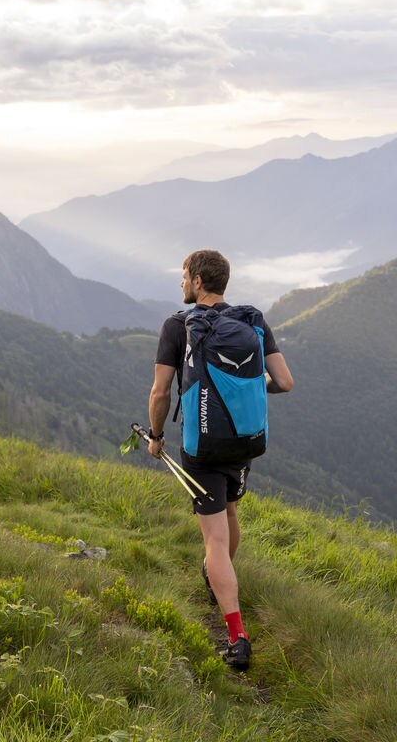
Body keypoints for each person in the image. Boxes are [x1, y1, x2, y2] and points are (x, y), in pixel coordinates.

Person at [147, 249, 293, 671]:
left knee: (213, 540)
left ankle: (237, 636)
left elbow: (160, 393)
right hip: (245, 440)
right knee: (228, 512)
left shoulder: (178, 326)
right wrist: (242, 390)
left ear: (196, 280)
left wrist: (156, 437)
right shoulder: (252, 320)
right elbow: (284, 381)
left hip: (202, 448)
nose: (180, 284)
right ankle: (218, 577)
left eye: (183, 276)